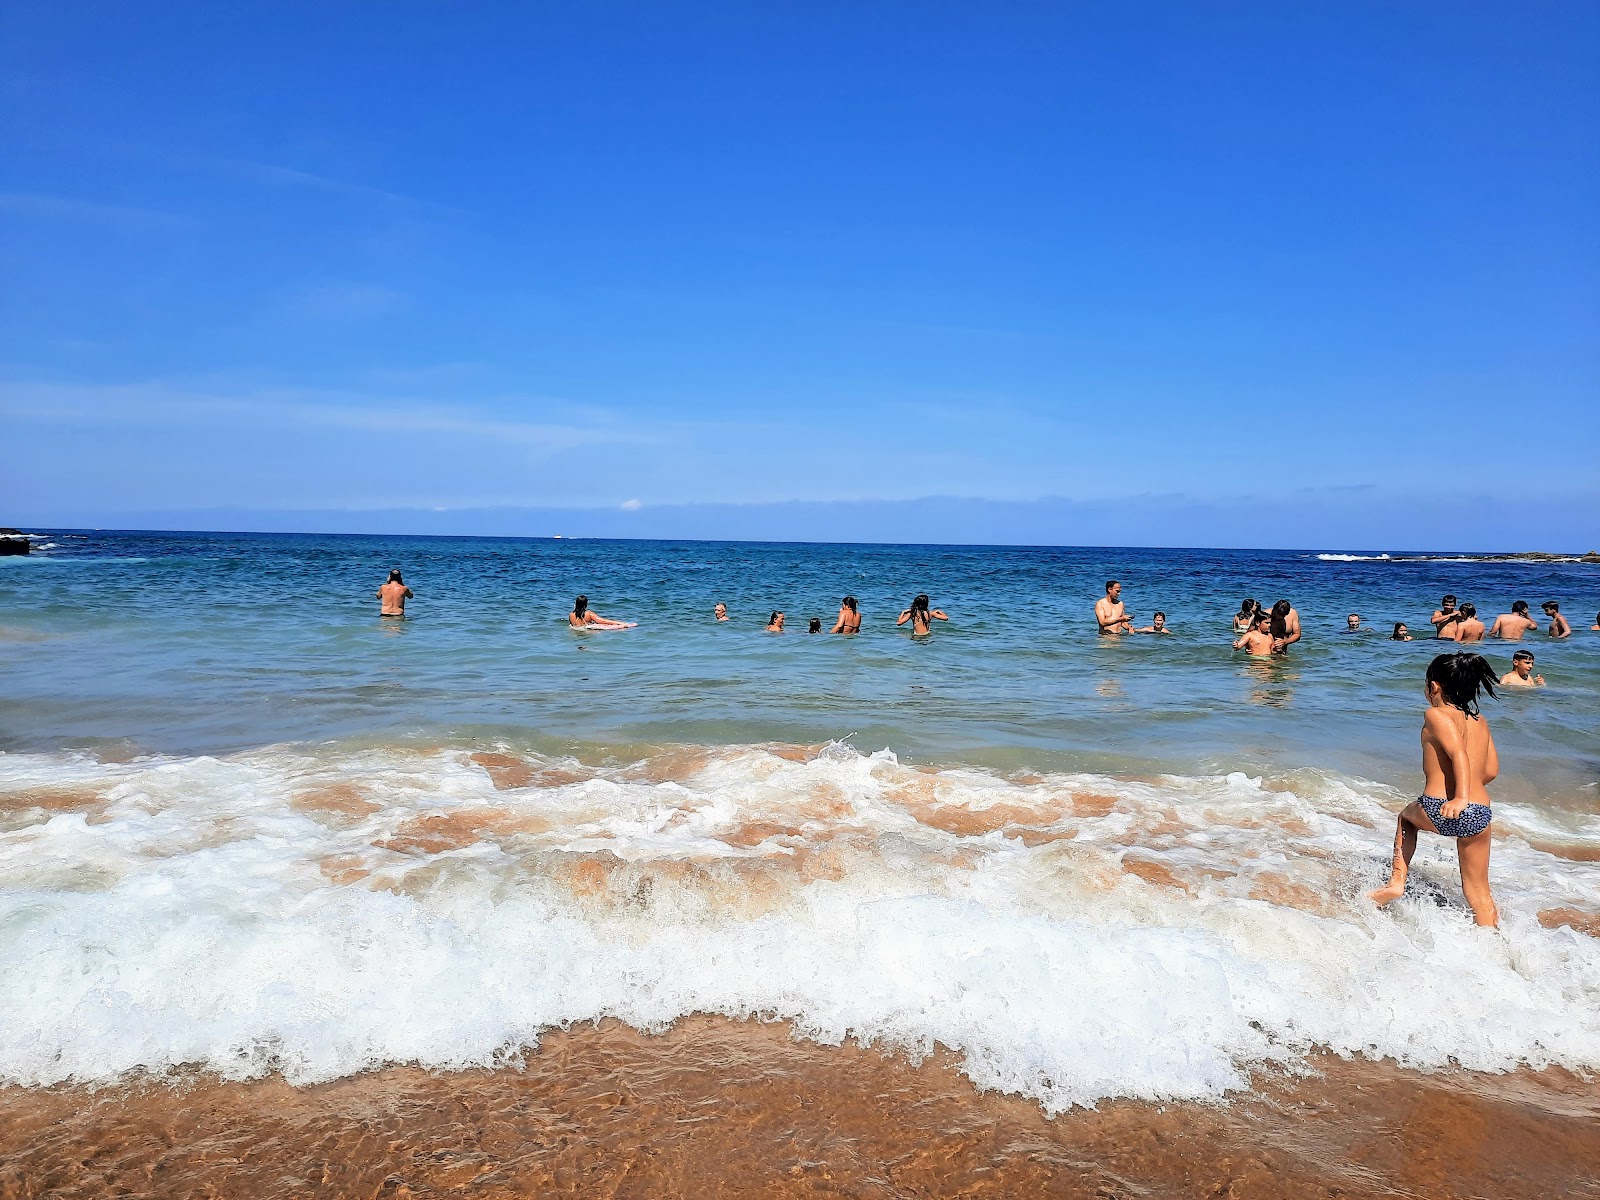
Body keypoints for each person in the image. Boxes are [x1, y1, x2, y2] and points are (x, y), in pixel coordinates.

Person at [1369, 652, 1500, 927]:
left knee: (1406, 817)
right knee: (1479, 893)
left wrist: (1460, 797)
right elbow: (1490, 772)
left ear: (1434, 686)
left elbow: (1458, 754)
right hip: (1480, 815)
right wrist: (1470, 793)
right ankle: (1493, 945)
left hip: (1441, 807)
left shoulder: (1436, 714)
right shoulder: (1480, 720)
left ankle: (1396, 883)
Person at [569, 595, 635, 629]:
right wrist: (620, 623)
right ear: (586, 604)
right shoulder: (589, 613)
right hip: (587, 632)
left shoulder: (571, 615)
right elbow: (603, 621)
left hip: (576, 631)